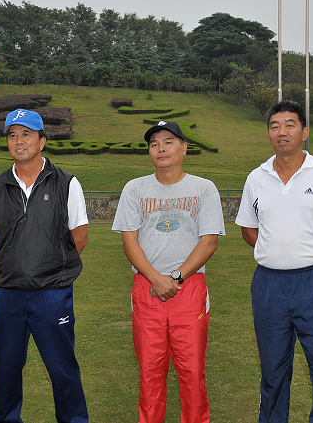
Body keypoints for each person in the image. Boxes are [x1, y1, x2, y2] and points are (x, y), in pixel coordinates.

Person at [235, 100, 313, 423]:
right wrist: (277, 251)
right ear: (268, 133)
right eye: (275, 126)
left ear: (304, 132)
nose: (282, 132)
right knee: (272, 371)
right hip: (269, 285)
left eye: (290, 125)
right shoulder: (256, 178)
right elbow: (249, 230)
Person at [0, 109, 89, 423]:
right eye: (12, 135)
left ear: (42, 141)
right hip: (8, 294)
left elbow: (79, 237)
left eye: (26, 134)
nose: (19, 141)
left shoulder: (67, 182)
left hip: (52, 294)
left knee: (62, 368)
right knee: (8, 368)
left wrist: (48, 266)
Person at [111, 121, 225, 423]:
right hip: (147, 288)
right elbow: (129, 241)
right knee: (150, 372)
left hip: (189, 288)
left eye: (168, 142)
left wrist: (175, 277)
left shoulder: (203, 188)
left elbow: (209, 241)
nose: (161, 148)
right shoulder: (135, 188)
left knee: (192, 373)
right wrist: (155, 278)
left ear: (184, 148)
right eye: (154, 144)